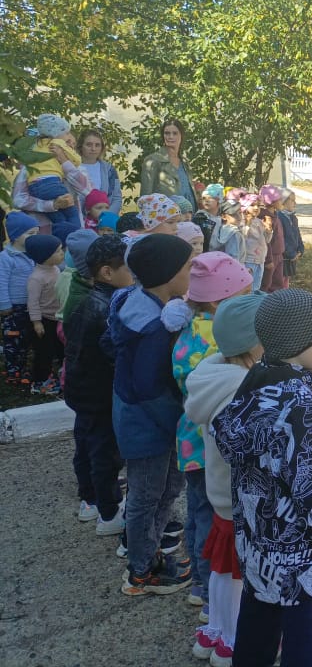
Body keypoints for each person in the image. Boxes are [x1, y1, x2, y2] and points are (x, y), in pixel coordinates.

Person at [212, 289, 312, 667]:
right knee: (309, 638)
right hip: (301, 554)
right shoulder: (297, 404)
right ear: (300, 340)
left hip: (259, 546)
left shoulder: (255, 384)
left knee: (258, 622)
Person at [105, 233, 195, 595]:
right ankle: (142, 569)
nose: (194, 272)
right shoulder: (153, 328)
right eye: (189, 266)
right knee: (147, 494)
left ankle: (150, 550)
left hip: (153, 419)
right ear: (167, 274)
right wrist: (179, 422)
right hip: (149, 423)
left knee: (170, 484)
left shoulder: (144, 306)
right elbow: (148, 387)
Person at [167, 251, 253, 623]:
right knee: (216, 522)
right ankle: (212, 595)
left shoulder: (189, 330)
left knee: (197, 511)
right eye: (244, 298)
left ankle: (201, 586)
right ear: (220, 303)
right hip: (212, 445)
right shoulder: (222, 341)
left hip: (190, 438)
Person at [185, 293, 265, 667]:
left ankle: (214, 631)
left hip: (220, 495)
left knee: (222, 569)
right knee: (239, 575)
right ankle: (234, 642)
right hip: (240, 498)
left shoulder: (214, 376)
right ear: (253, 344)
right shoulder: (242, 390)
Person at [63, 235, 134, 533]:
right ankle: (108, 512)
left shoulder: (87, 301)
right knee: (105, 452)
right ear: (107, 272)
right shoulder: (106, 309)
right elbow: (112, 356)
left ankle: (90, 496)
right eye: (129, 268)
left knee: (86, 442)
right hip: (99, 394)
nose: (135, 274)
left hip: (81, 390)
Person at [23, 114, 84, 239]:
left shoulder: (35, 145)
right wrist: (65, 155)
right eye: (66, 133)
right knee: (72, 213)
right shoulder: (57, 143)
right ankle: (77, 238)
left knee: (59, 218)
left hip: (34, 187)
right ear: (57, 133)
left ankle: (62, 240)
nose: (68, 137)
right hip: (52, 183)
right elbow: (77, 160)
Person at [0, 212, 41, 387]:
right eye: (30, 234)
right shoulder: (6, 258)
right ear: (16, 236)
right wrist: (4, 304)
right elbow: (1, 282)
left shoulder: (33, 254)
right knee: (12, 338)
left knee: (26, 339)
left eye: (36, 234)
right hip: (13, 307)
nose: (34, 238)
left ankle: (23, 367)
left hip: (29, 304)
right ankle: (12, 370)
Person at [25, 234, 66, 394]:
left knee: (59, 347)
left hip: (57, 317)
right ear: (45, 256)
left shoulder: (55, 269)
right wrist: (36, 322)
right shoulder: (36, 278)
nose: (62, 253)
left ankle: (58, 374)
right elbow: (33, 302)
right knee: (44, 352)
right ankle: (40, 381)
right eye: (57, 251)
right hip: (44, 321)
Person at [138, 119, 198, 210]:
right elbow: (145, 198)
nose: (170, 137)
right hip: (167, 218)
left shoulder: (185, 162)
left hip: (189, 216)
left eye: (175, 133)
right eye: (167, 133)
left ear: (181, 135)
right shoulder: (152, 160)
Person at [76, 128, 123, 214]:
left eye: (97, 145)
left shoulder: (109, 169)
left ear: (102, 148)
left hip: (105, 221)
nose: (93, 149)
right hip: (79, 220)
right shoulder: (71, 168)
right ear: (80, 146)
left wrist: (106, 217)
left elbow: (117, 198)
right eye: (89, 145)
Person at [257, 185, 287, 292]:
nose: (282, 202)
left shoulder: (275, 215)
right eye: (279, 199)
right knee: (266, 284)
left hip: (279, 255)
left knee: (278, 283)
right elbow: (266, 241)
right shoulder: (266, 218)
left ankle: (276, 304)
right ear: (272, 202)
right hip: (270, 257)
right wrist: (268, 260)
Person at [279, 189, 304, 286]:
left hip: (292, 257)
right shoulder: (279, 218)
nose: (295, 203)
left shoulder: (293, 218)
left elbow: (297, 234)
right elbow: (281, 239)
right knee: (281, 282)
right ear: (284, 201)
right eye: (292, 200)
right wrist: (291, 253)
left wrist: (300, 249)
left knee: (287, 281)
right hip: (284, 258)